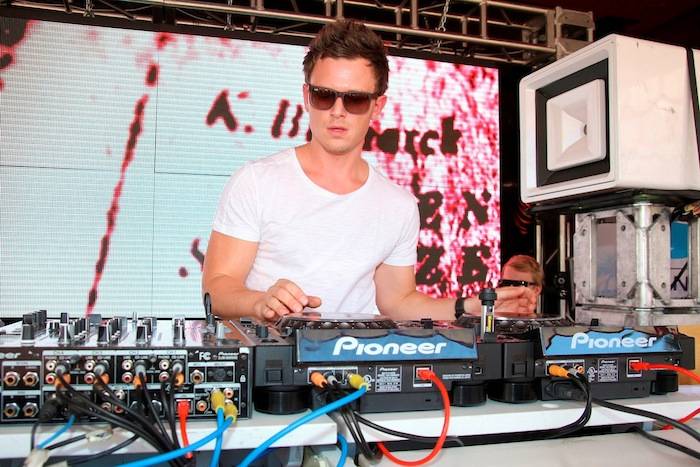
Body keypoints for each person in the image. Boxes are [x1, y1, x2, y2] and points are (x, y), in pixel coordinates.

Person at [202, 19, 535, 322]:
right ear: (306, 96)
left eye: (355, 100)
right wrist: (260, 301)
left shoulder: (399, 205)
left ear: (377, 106)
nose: (337, 111)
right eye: (324, 95)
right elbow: (217, 288)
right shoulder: (257, 181)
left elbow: (398, 302)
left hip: (358, 363)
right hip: (272, 365)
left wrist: (468, 307)